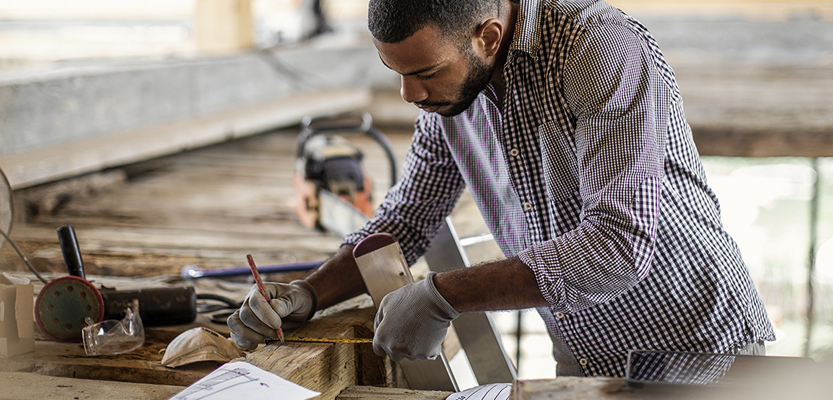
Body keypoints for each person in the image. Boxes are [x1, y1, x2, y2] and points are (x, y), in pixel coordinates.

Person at [228, 0, 776, 377]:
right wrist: (309, 293)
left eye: (425, 71)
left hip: (694, 347)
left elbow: (617, 251)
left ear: (487, 35)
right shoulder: (448, 93)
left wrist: (443, 294)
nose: (407, 93)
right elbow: (410, 215)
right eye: (395, 71)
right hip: (583, 346)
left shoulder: (599, 50)